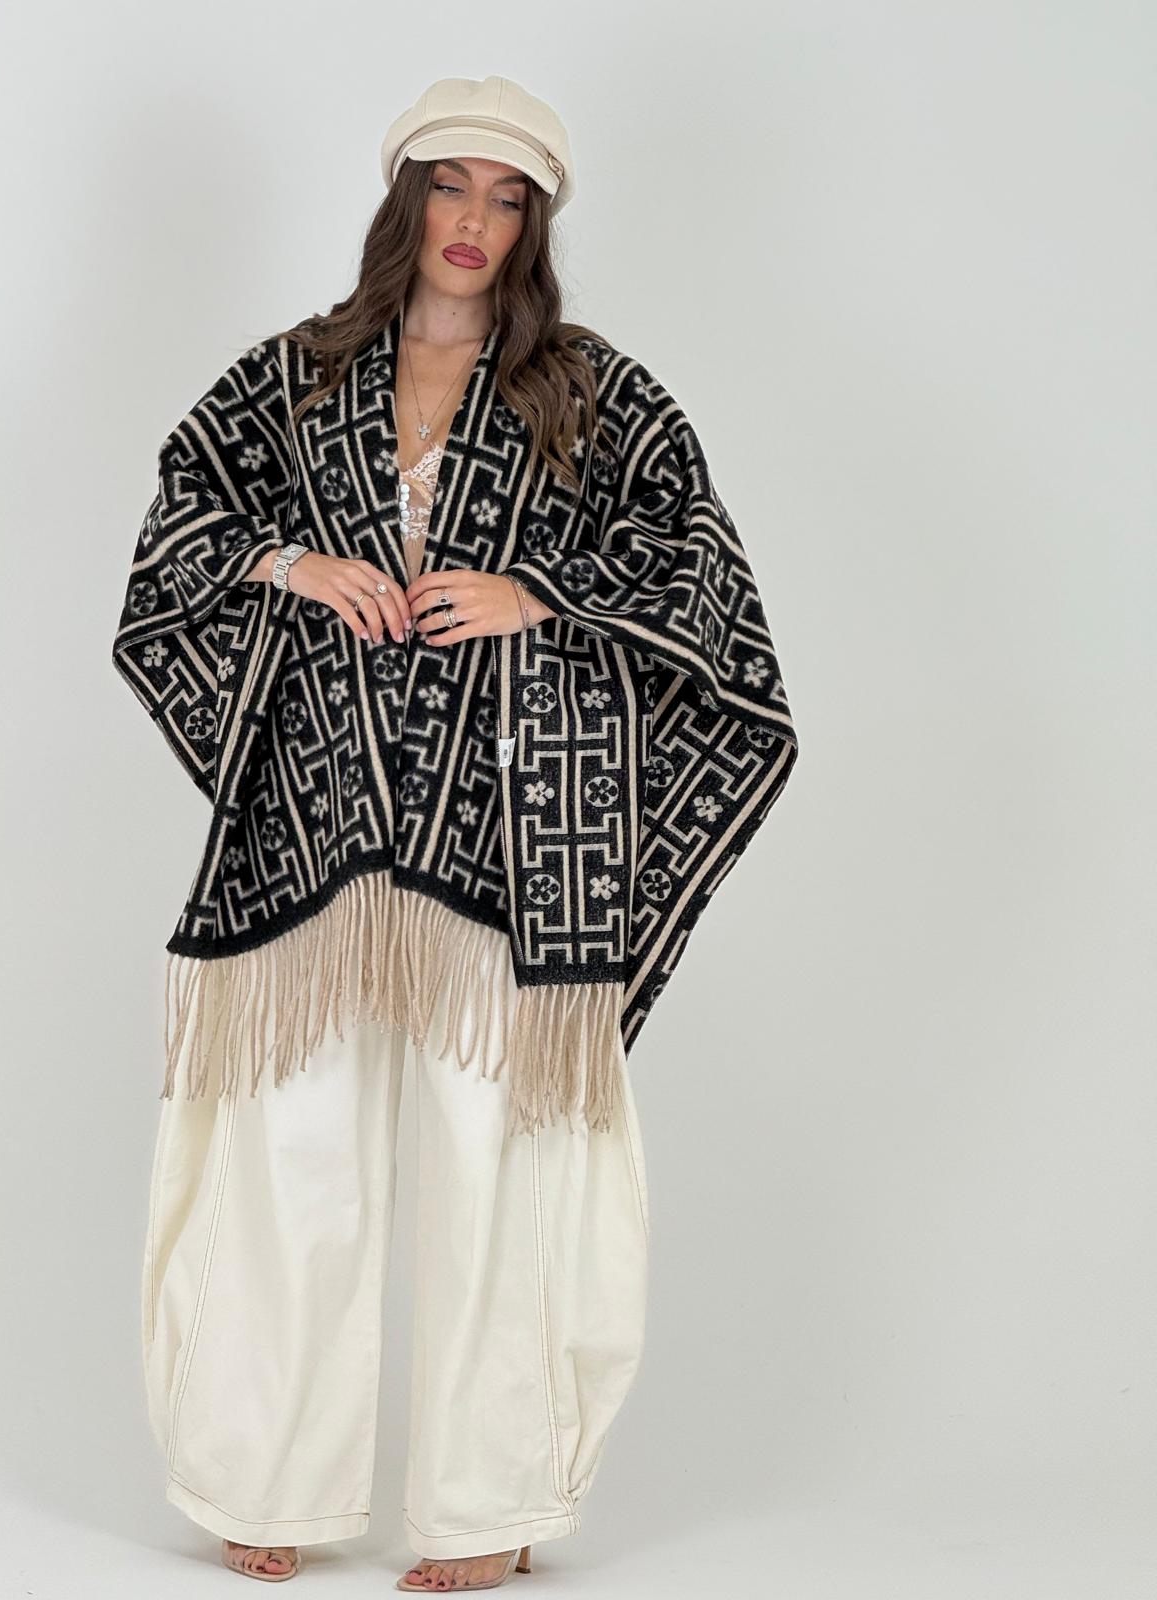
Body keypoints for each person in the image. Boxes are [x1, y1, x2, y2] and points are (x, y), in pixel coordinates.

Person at [112, 74, 799, 1591]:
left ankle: (490, 1510)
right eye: (451, 186)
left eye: (507, 197)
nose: (475, 220)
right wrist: (292, 562)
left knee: (501, 1163)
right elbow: (180, 526)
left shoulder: (591, 391)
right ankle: (262, 1478)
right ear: (405, 198)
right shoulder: (296, 375)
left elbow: (699, 578)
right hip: (316, 816)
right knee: (290, 1154)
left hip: (514, 831)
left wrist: (538, 595)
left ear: (535, 222)